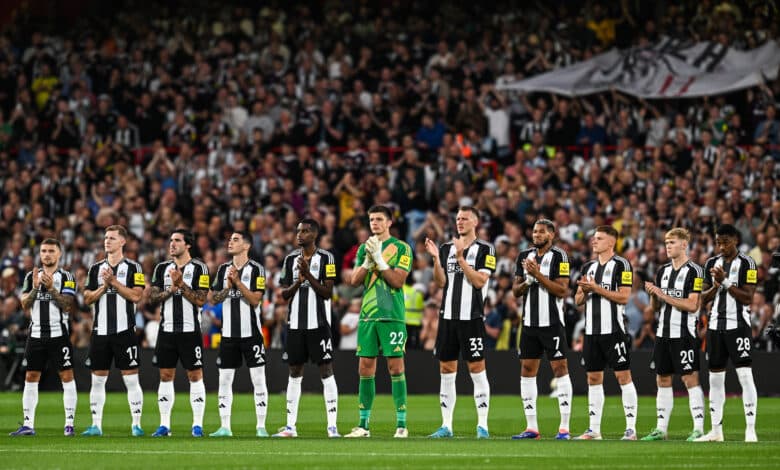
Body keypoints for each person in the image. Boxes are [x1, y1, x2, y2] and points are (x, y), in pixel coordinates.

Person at [424, 206, 495, 439]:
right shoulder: (445, 248)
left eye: (465, 218)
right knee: (446, 370)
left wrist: (461, 259)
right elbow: (441, 282)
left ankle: (482, 425)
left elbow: (479, 282)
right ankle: (446, 425)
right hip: (448, 318)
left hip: (471, 317)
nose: (460, 222)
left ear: (475, 221)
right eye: (457, 218)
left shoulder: (485, 249)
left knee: (476, 368)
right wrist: (436, 260)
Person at [345, 205, 413, 438]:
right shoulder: (364, 247)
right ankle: (363, 425)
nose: (374, 223)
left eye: (379, 219)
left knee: (395, 367)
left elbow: (397, 281)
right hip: (368, 315)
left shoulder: (402, 248)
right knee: (365, 367)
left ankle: (401, 425)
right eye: (371, 219)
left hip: (391, 314)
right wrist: (367, 261)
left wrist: (380, 262)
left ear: (389, 222)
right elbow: (354, 280)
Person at [273, 219, 340, 438]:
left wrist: (309, 275)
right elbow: (283, 294)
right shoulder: (290, 259)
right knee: (294, 372)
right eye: (298, 231)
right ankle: (290, 426)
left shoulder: (327, 258)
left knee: (326, 371)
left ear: (315, 234)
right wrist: (298, 281)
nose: (300, 235)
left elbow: (327, 293)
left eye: (305, 231)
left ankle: (332, 427)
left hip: (319, 325)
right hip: (295, 325)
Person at [573, 225, 638, 441]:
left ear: (611, 242)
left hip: (614, 331)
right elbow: (578, 301)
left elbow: (624, 297)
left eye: (599, 238)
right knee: (593, 377)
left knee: (622, 376)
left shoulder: (622, 265)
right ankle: (594, 430)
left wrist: (597, 288)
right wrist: (583, 290)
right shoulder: (588, 267)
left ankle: (630, 429)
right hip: (591, 332)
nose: (594, 241)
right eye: (593, 238)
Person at [511, 219, 574, 440]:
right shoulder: (523, 257)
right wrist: (527, 282)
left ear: (551, 235)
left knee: (560, 369)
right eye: (534, 231)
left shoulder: (559, 256)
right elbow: (515, 292)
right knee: (527, 370)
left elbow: (562, 290)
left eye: (541, 232)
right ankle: (532, 428)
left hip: (552, 323)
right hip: (529, 324)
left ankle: (564, 428)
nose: (536, 235)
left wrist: (538, 276)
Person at [695, 224, 758, 442]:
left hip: (738, 325)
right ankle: (716, 431)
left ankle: (750, 429)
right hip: (715, 327)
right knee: (714, 379)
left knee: (744, 375)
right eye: (718, 242)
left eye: (725, 242)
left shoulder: (747, 263)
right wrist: (715, 286)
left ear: (735, 240)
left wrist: (726, 281)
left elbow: (748, 297)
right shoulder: (711, 263)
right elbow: (702, 298)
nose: (721, 247)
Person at [641, 228, 706, 441]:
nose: (667, 246)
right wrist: (653, 297)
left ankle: (698, 428)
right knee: (662, 379)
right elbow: (657, 307)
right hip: (663, 334)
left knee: (690, 378)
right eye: (666, 242)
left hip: (684, 334)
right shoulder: (663, 271)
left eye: (672, 242)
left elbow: (692, 304)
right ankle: (661, 429)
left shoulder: (695, 271)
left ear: (684, 244)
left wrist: (661, 294)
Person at [82, 225, 146, 437]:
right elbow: (87, 298)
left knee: (131, 378)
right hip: (100, 332)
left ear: (123, 242)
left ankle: (136, 424)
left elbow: (136, 296)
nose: (107, 241)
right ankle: (96, 425)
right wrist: (103, 286)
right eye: (106, 237)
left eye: (112, 238)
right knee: (98, 379)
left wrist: (114, 282)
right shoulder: (95, 269)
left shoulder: (134, 268)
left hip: (124, 331)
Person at [10, 239, 78, 436]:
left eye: (51, 251)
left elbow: (67, 305)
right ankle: (28, 424)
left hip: (59, 334)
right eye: (43, 251)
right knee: (31, 377)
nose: (46, 254)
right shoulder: (32, 276)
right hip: (36, 334)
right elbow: (24, 303)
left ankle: (69, 424)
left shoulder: (67, 276)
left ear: (59, 255)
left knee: (66, 376)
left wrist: (51, 289)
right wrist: (35, 287)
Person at [147, 229, 210, 438]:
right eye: (171, 240)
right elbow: (152, 298)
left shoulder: (200, 268)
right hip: (166, 330)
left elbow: (201, 300)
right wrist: (170, 291)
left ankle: (197, 425)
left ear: (188, 245)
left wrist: (181, 284)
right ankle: (164, 425)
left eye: (177, 240)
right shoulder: (161, 268)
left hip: (190, 331)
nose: (172, 244)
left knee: (195, 375)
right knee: (165, 375)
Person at [209, 231, 269, 438]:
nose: (230, 242)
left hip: (251, 334)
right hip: (228, 335)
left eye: (235, 239)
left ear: (246, 246)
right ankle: (225, 426)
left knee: (258, 379)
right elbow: (214, 299)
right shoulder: (223, 269)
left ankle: (261, 426)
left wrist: (238, 283)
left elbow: (255, 300)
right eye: (230, 239)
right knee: (224, 380)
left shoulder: (257, 269)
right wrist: (227, 286)